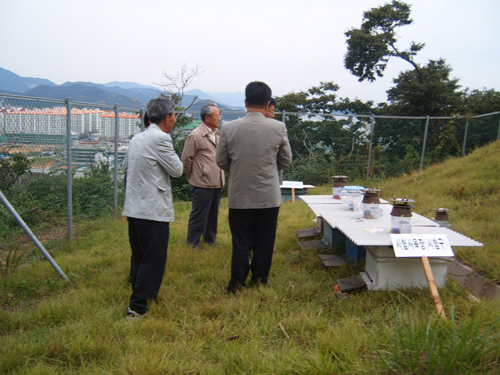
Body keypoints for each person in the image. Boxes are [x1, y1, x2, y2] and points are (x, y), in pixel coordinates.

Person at [216, 81, 292, 293]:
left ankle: (237, 284)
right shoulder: (278, 127)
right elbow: (286, 160)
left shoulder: (229, 127)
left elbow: (221, 160)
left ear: (245, 102)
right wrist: (267, 169)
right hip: (268, 195)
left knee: (240, 240)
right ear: (268, 103)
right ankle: (260, 280)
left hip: (239, 194)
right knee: (265, 240)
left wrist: (240, 169)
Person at [122, 97, 183, 320]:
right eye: (174, 115)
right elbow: (177, 170)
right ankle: (138, 308)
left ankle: (142, 295)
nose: (175, 119)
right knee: (153, 260)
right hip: (152, 209)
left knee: (140, 255)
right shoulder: (161, 139)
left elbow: (125, 168)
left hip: (134, 207)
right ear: (167, 118)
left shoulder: (137, 138)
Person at [181, 104, 225, 248]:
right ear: (207, 118)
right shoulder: (196, 135)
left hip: (217, 181)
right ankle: (193, 243)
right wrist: (194, 176)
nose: (219, 118)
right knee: (199, 215)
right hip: (202, 183)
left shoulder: (217, 133)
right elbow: (186, 159)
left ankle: (210, 240)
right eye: (217, 116)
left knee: (213, 214)